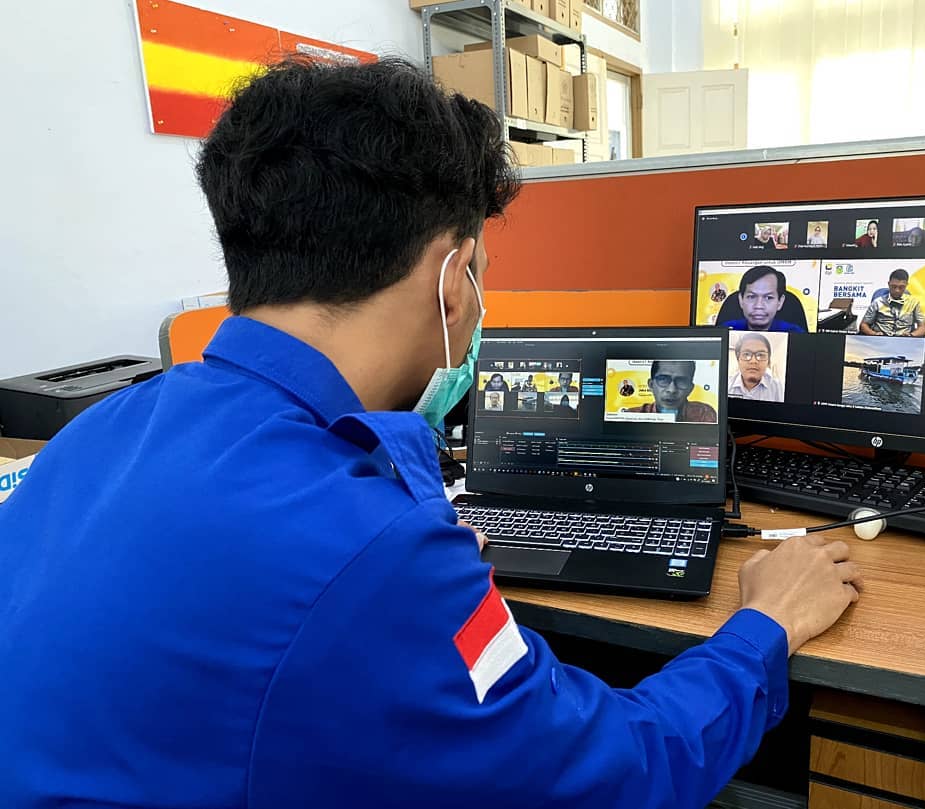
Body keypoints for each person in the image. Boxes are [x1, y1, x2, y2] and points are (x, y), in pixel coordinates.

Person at [0, 58, 863, 808]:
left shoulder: (93, 435)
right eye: (481, 273)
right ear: (453, 279)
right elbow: (621, 774)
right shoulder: (373, 556)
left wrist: (418, 565)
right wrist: (767, 624)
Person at [720, 265, 806, 333]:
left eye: (768, 298)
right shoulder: (725, 330)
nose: (758, 306)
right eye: (751, 297)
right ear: (741, 300)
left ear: (780, 302)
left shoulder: (796, 334)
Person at [625, 360, 718, 423]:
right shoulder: (632, 415)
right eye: (663, 379)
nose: (672, 390)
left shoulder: (704, 413)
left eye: (681, 381)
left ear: (690, 389)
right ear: (651, 385)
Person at [859, 269, 925, 337]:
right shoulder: (878, 302)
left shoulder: (914, 303)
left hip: (904, 339)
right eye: (894, 286)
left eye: (901, 287)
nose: (897, 290)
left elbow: (922, 327)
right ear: (889, 284)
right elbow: (863, 325)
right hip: (881, 338)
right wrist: (874, 334)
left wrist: (911, 335)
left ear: (906, 285)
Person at [728, 333, 784, 402]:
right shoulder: (725, 385)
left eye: (761, 355)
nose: (753, 361)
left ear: (768, 361)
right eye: (746, 354)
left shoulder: (777, 387)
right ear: (738, 359)